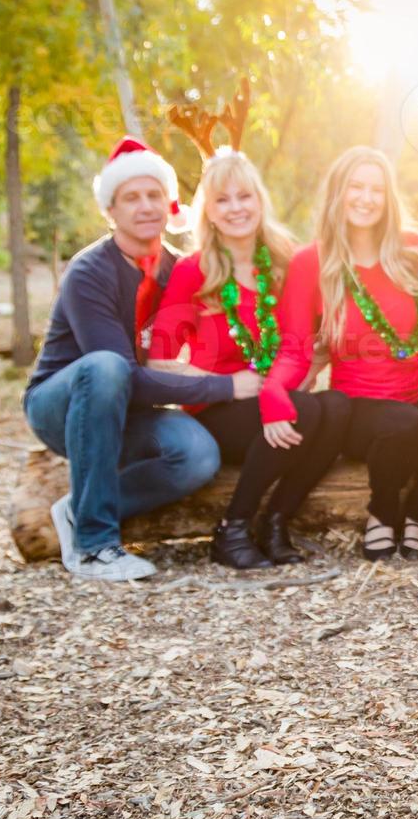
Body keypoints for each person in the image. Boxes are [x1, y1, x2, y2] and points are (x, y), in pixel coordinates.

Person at [24, 137, 258, 582]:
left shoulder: (177, 268)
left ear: (170, 205)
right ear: (110, 210)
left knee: (197, 454)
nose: (146, 206)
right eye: (132, 197)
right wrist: (224, 386)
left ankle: (77, 509)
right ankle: (94, 545)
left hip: (129, 409)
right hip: (62, 407)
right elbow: (124, 373)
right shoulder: (90, 271)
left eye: (155, 195)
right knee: (106, 367)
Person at [148, 150, 350, 569]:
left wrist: (309, 367)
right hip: (217, 409)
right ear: (209, 212)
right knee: (306, 408)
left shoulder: (285, 262)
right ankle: (232, 528)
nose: (237, 208)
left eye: (245, 196)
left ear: (260, 201)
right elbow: (159, 361)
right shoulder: (194, 271)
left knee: (337, 406)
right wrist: (221, 383)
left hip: (285, 403)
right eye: (223, 200)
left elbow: (306, 345)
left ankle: (275, 524)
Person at [269, 146, 418, 561]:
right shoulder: (313, 262)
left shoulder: (414, 252)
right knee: (402, 423)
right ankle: (382, 512)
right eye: (355, 187)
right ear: (338, 194)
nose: (366, 198)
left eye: (376, 189)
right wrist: (277, 394)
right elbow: (294, 345)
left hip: (416, 392)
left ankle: (416, 514)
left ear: (388, 198)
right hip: (360, 409)